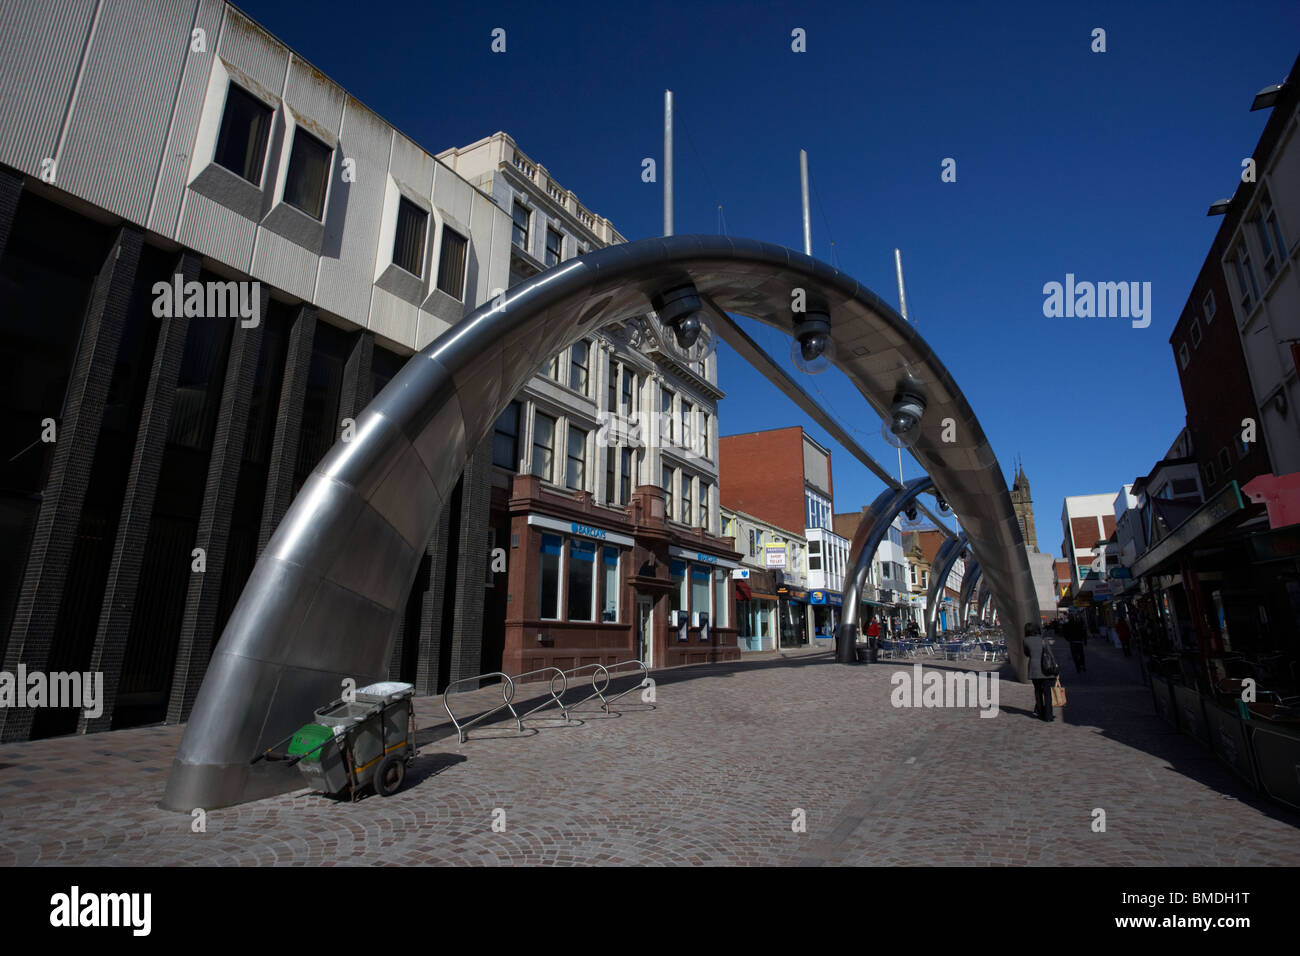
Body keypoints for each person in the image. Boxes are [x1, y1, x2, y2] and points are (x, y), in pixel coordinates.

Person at [1024, 622, 1056, 721]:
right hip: (1046, 669)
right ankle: (1049, 715)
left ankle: (1040, 712)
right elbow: (1050, 654)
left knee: (1038, 691)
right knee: (1047, 693)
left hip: (1034, 669)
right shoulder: (1043, 640)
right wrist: (1054, 667)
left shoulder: (1026, 640)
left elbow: (1026, 653)